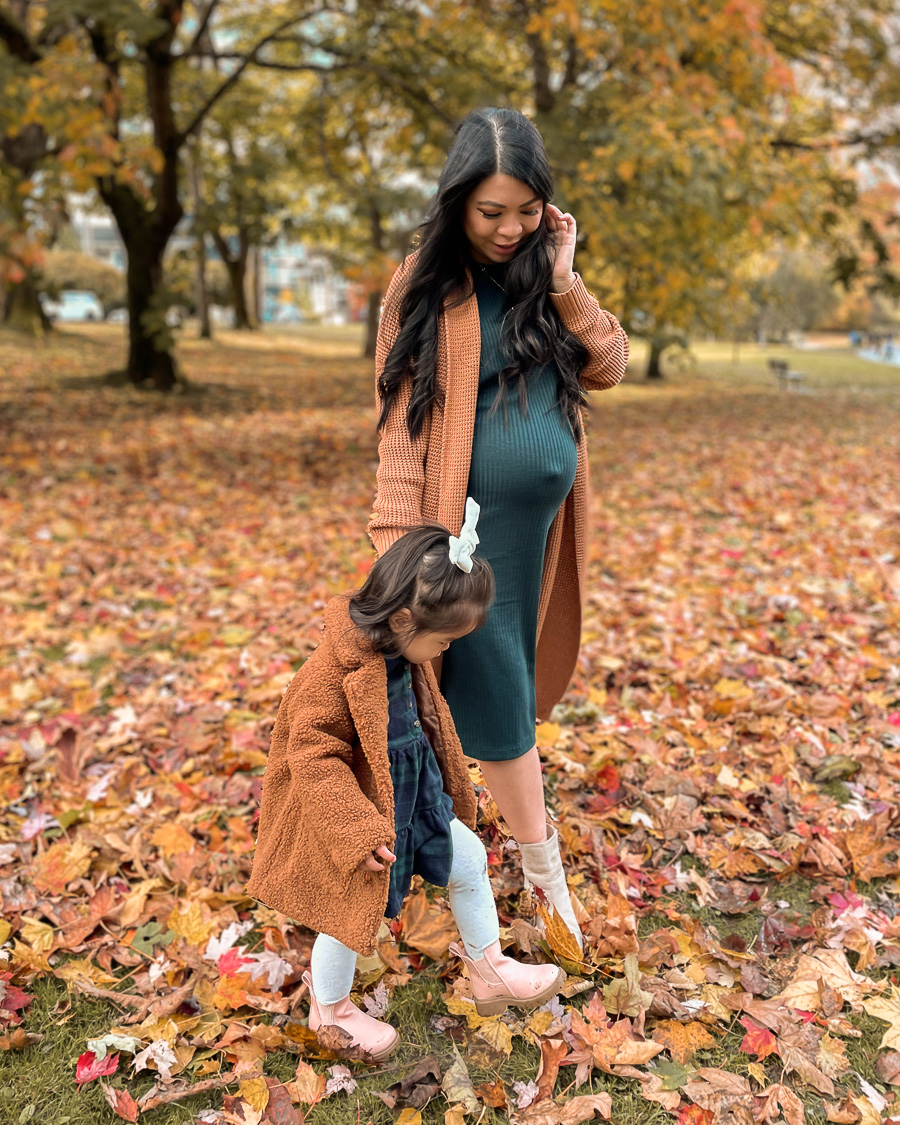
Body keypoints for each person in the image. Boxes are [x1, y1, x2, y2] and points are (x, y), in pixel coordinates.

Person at [369, 107, 629, 951]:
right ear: (457, 205)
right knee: (479, 705)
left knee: (498, 692)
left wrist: (563, 278)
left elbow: (611, 363)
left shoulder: (542, 279)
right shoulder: (422, 286)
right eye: (491, 213)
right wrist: (400, 553)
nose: (511, 228)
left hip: (536, 537)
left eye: (526, 210)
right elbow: (400, 427)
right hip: (461, 541)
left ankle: (474, 867)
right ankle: (539, 877)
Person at [246, 510, 565, 1060]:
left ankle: (489, 968)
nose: (445, 651)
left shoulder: (404, 654)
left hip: (415, 801)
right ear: (399, 620)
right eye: (443, 641)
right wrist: (354, 829)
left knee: (469, 864)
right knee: (344, 916)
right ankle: (331, 1010)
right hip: (357, 818)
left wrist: (450, 788)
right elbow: (313, 755)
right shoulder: (333, 672)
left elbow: (426, 723)